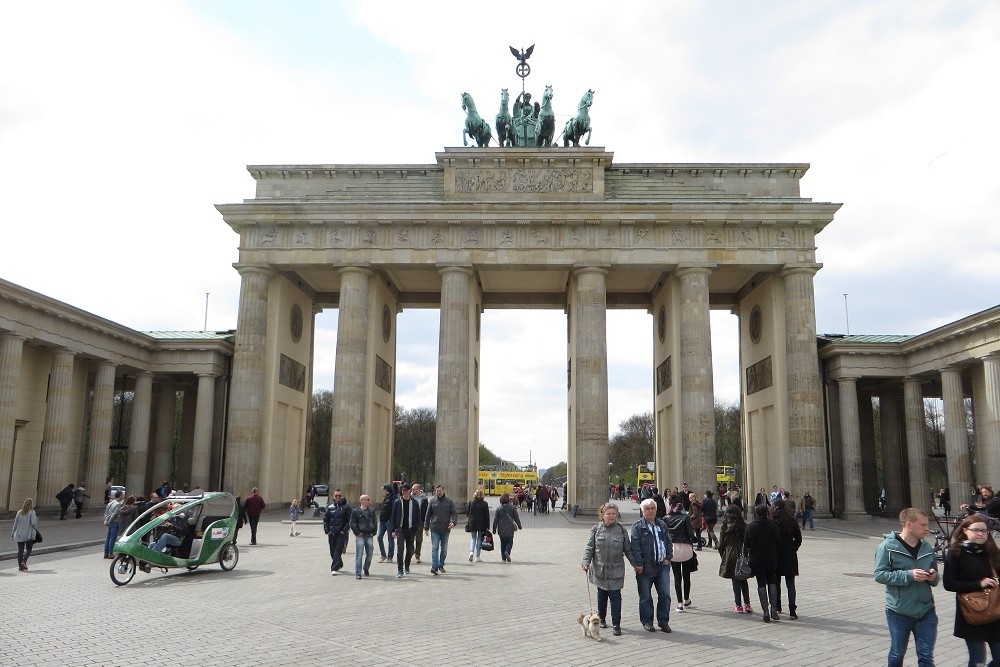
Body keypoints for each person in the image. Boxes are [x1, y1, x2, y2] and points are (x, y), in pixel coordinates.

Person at [874, 508, 939, 667]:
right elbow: (880, 575)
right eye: (922, 525)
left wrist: (933, 576)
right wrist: (908, 575)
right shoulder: (887, 547)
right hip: (899, 611)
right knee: (897, 654)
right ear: (909, 524)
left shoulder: (927, 548)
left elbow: (935, 578)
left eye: (927, 524)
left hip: (926, 610)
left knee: (926, 657)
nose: (927, 528)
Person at [943, 514, 1000, 666]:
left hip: (995, 610)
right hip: (972, 612)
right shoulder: (955, 553)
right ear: (965, 531)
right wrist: (978, 584)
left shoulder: (993, 552)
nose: (981, 534)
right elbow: (949, 584)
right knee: (978, 660)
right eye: (976, 530)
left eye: (984, 530)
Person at [582, 503, 632, 637]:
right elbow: (589, 548)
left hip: (616, 569)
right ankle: (602, 618)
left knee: (616, 596)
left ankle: (616, 624)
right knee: (602, 595)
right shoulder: (596, 530)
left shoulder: (621, 530)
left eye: (613, 514)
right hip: (600, 568)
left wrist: (637, 565)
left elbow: (628, 550)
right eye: (608, 514)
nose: (611, 516)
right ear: (602, 515)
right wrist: (586, 562)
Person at [630, 497, 673, 633]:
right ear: (642, 511)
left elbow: (668, 541)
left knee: (665, 595)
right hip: (645, 568)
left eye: (653, 508)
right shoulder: (638, 526)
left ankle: (663, 621)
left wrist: (668, 557)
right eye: (647, 509)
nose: (651, 511)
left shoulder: (661, 524)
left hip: (662, 566)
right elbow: (635, 547)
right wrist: (639, 564)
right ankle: (647, 622)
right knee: (645, 597)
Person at [747, 503, 781, 623]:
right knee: (772, 581)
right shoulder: (772, 526)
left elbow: (746, 544)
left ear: (756, 513)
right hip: (771, 558)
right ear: (767, 513)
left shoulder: (751, 526)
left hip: (756, 559)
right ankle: (774, 610)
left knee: (761, 583)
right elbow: (778, 541)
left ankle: (765, 611)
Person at [771, 498, 803, 619]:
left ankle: (778, 606)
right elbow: (799, 539)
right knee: (790, 584)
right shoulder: (792, 520)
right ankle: (792, 611)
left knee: (776, 582)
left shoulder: (772, 520)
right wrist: (793, 548)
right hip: (790, 555)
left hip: (776, 554)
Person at [665, 495, 697, 612]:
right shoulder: (685, 517)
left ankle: (679, 603)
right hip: (686, 549)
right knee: (686, 576)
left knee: (677, 577)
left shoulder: (666, 518)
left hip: (673, 549)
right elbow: (690, 534)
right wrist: (694, 539)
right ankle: (687, 599)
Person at [719, 504, 753, 613]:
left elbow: (720, 545)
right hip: (742, 553)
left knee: (735, 580)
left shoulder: (725, 527)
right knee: (743, 578)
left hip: (730, 553)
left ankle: (738, 605)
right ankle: (747, 604)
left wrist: (723, 556)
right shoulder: (743, 526)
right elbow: (748, 541)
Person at [424, 484, 457, 575]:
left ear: (443, 490)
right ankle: (434, 566)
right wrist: (426, 527)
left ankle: (441, 564)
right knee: (435, 548)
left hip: (445, 529)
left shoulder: (449, 501)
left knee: (444, 549)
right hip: (434, 528)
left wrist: (453, 522)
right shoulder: (432, 501)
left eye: (440, 491)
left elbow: (454, 513)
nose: (438, 492)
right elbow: (428, 515)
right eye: (437, 491)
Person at [391, 483, 421, 578]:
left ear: (409, 491)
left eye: (406, 491)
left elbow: (418, 517)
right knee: (400, 550)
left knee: (410, 549)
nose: (404, 492)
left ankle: (407, 565)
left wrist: (416, 528)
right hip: (400, 529)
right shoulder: (397, 502)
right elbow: (393, 516)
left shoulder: (415, 503)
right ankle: (400, 569)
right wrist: (393, 530)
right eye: (403, 491)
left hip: (411, 529)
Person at [323, 489, 352, 576]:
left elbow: (349, 520)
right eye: (336, 496)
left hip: (341, 533)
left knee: (338, 550)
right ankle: (339, 563)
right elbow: (326, 520)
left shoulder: (347, 507)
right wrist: (327, 530)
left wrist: (344, 530)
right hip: (332, 532)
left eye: (339, 495)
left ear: (342, 496)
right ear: (333, 496)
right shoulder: (330, 507)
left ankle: (334, 568)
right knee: (332, 551)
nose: (338, 497)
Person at [350, 493, 378, 579]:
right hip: (360, 535)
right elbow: (352, 523)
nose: (369, 501)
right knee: (359, 554)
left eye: (369, 500)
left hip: (369, 535)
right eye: (368, 500)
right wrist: (357, 532)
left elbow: (375, 522)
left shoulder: (372, 511)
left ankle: (366, 568)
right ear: (362, 501)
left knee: (369, 554)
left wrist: (373, 532)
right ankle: (358, 572)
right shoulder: (356, 511)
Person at [492, 492, 522, 562]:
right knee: (509, 542)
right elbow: (516, 518)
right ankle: (507, 551)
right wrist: (519, 526)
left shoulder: (499, 509)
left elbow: (495, 520)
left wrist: (494, 529)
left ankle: (503, 557)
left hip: (501, 529)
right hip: (510, 529)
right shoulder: (512, 508)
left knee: (502, 542)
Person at [11, 498, 38, 571]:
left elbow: (15, 524)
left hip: (19, 534)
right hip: (28, 534)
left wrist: (13, 533)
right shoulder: (32, 512)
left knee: (20, 550)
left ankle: (20, 566)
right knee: (29, 549)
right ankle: (24, 562)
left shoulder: (19, 512)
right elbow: (33, 523)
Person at [466, 489, 490, 563]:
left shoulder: (471, 503)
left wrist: (468, 523)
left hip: (473, 523)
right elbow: (487, 516)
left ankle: (471, 552)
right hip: (481, 523)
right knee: (479, 539)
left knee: (473, 538)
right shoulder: (485, 504)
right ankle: (478, 556)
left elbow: (468, 513)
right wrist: (488, 526)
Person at [377, 483, 397, 563]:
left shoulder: (393, 498)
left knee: (390, 540)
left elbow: (394, 510)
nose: (383, 491)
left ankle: (390, 556)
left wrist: (392, 520)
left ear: (386, 490)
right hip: (382, 521)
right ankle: (383, 555)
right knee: (379, 537)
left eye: (384, 489)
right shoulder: (386, 497)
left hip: (389, 521)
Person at [103, 491, 123, 559]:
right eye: (122, 495)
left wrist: (106, 520)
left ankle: (106, 552)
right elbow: (114, 514)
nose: (122, 497)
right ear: (119, 496)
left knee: (108, 537)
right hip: (114, 522)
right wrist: (109, 521)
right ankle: (110, 553)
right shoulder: (118, 504)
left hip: (109, 522)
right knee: (112, 538)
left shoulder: (110, 503)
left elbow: (106, 512)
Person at [411, 484, 429, 563]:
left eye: (414, 489)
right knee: (410, 538)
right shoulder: (409, 498)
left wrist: (426, 523)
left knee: (419, 539)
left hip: (420, 521)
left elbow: (427, 511)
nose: (413, 491)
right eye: (412, 489)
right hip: (410, 521)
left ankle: (417, 555)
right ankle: (412, 550)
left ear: (418, 489)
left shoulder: (424, 499)